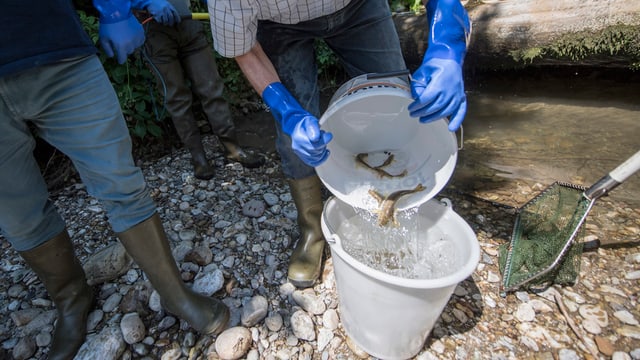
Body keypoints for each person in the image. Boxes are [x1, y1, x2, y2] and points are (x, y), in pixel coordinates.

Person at [0, 1, 230, 358]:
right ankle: (72, 301)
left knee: (121, 182)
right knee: (18, 215)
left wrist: (115, 8)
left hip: (55, 50)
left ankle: (174, 294)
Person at [207, 0, 470, 288]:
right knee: (294, 134)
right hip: (278, 27)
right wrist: (287, 111)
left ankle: (403, 206)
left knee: (398, 102)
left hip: (359, 7)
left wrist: (447, 45)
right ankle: (312, 229)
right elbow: (244, 49)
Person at [141, 0, 264, 180]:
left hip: (189, 24)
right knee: (177, 99)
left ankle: (233, 148)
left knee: (211, 89)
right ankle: (198, 158)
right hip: (153, 32)